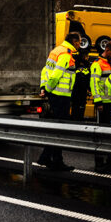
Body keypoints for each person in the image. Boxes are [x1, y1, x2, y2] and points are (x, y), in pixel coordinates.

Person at [38, 32, 81, 171]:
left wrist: (44, 87)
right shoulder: (65, 54)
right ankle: (56, 161)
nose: (80, 44)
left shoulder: (56, 51)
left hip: (54, 96)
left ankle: (46, 157)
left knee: (55, 129)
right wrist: (49, 89)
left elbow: (45, 71)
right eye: (79, 42)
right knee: (60, 130)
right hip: (60, 97)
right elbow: (56, 74)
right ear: (74, 41)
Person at [90, 41, 111, 172]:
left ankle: (108, 162)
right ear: (107, 50)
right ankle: (99, 162)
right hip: (102, 104)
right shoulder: (97, 64)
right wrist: (98, 102)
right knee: (100, 134)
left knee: (110, 133)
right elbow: (94, 84)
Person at [71, 50, 91, 121]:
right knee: (76, 108)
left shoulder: (87, 65)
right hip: (77, 91)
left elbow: (88, 78)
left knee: (80, 108)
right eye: (86, 56)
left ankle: (79, 119)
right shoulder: (77, 65)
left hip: (81, 91)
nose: (87, 57)